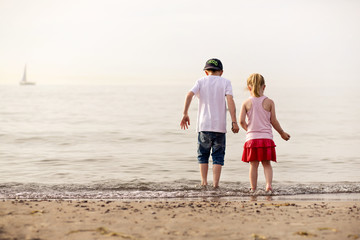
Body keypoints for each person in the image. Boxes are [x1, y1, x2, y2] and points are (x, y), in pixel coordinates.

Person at [180, 58, 239, 188]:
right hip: (219, 127)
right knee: (218, 156)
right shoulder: (226, 82)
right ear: (221, 72)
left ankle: (204, 182)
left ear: (206, 72)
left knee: (203, 155)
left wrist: (185, 113)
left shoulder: (201, 81)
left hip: (203, 126)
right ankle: (216, 185)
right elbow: (230, 101)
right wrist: (234, 121)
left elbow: (189, 95)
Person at [239, 73, 290, 193]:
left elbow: (241, 121)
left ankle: (253, 188)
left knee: (253, 165)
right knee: (266, 164)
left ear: (249, 87)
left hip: (252, 139)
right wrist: (282, 133)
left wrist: (249, 131)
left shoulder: (246, 103)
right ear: (264, 87)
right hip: (266, 139)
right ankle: (268, 186)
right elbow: (273, 121)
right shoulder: (269, 102)